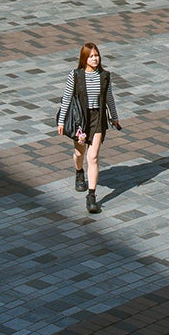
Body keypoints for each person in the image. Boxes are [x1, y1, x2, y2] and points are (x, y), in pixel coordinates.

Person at [55, 39, 122, 216]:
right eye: (91, 56)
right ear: (84, 58)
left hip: (97, 119)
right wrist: (61, 121)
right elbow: (66, 98)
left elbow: (109, 98)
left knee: (93, 157)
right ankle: (79, 171)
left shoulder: (105, 76)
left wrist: (114, 118)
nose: (95, 59)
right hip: (80, 119)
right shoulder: (76, 75)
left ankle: (91, 197)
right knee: (80, 154)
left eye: (96, 55)